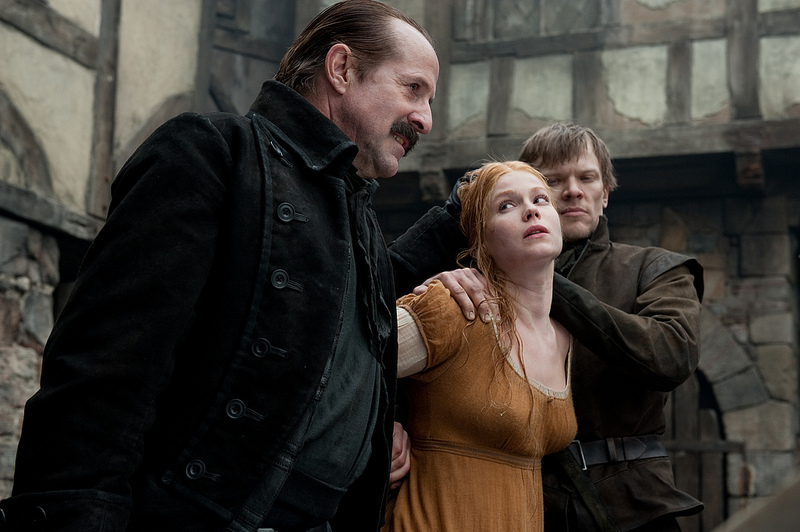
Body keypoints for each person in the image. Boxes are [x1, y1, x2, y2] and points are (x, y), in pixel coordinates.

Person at [0, 1, 437, 531]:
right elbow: (105, 369)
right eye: (413, 89)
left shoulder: (356, 217)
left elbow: (331, 321)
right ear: (342, 69)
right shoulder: (213, 152)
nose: (426, 119)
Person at [388, 122, 704, 532]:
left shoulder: (655, 268)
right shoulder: (468, 288)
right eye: (552, 181)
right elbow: (363, 341)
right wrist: (388, 425)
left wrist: (535, 277)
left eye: (587, 178)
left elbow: (670, 356)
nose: (571, 191)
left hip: (634, 503)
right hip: (518, 502)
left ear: (606, 193)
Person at [383, 161, 576, 531]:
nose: (531, 210)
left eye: (540, 199)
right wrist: (380, 429)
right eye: (506, 205)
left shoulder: (565, 337)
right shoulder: (455, 307)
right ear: (481, 239)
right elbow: (337, 359)